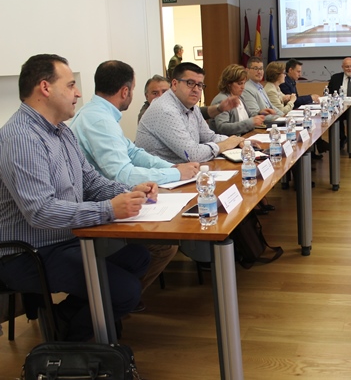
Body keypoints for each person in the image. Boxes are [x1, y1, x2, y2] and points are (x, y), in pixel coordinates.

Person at [0, 54, 153, 341]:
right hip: (29, 253)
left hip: (65, 239)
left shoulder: (62, 132)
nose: (79, 92)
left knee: (137, 258)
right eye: (71, 85)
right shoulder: (21, 138)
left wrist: (128, 193)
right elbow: (41, 212)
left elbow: (90, 182)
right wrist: (108, 209)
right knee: (126, 292)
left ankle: (63, 319)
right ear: (45, 88)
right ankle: (69, 341)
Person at [69, 61, 202, 311]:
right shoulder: (98, 120)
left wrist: (171, 169)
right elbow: (122, 174)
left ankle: (114, 298)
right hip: (98, 204)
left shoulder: (100, 114)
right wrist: (174, 174)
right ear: (125, 91)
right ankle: (113, 303)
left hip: (107, 196)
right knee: (163, 245)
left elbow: (134, 152)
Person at [136, 62, 244, 163]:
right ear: (174, 84)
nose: (196, 89)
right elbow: (192, 154)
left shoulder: (192, 107)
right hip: (158, 179)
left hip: (181, 172)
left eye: (200, 85)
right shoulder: (165, 109)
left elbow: (209, 137)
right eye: (190, 83)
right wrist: (224, 145)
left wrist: (238, 141)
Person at [210, 64, 265, 135]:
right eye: (239, 84)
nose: (243, 87)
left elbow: (250, 116)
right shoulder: (222, 100)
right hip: (229, 142)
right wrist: (250, 122)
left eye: (244, 83)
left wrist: (260, 114)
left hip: (245, 138)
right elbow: (222, 127)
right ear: (229, 83)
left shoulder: (240, 97)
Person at [240, 56, 282, 124]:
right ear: (247, 70)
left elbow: (271, 106)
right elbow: (255, 114)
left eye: (261, 68)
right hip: (262, 126)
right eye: (256, 68)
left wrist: (285, 116)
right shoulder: (246, 89)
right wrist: (279, 118)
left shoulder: (260, 86)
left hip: (273, 121)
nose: (259, 72)